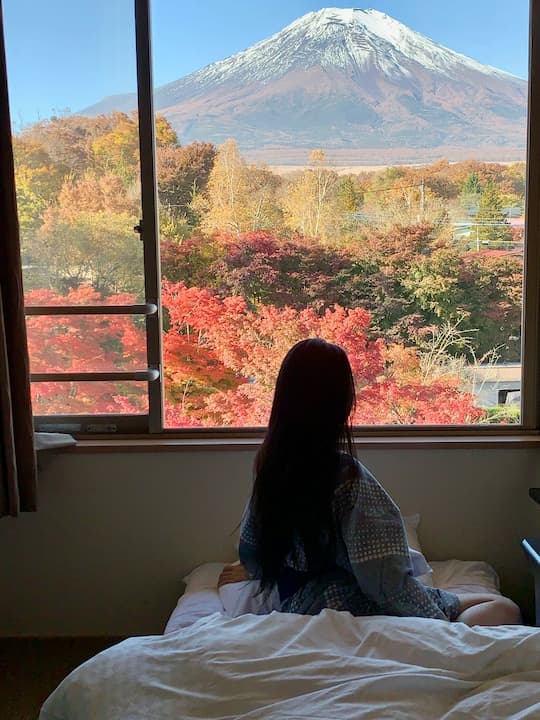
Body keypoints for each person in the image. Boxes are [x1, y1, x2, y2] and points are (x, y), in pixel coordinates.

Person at [219, 338, 521, 626]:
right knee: (505, 609)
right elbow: (384, 583)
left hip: (294, 607)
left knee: (468, 602)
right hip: (353, 606)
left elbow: (254, 554)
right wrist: (438, 619)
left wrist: (250, 571)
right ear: (343, 404)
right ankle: (454, 641)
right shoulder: (346, 479)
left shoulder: (271, 468)